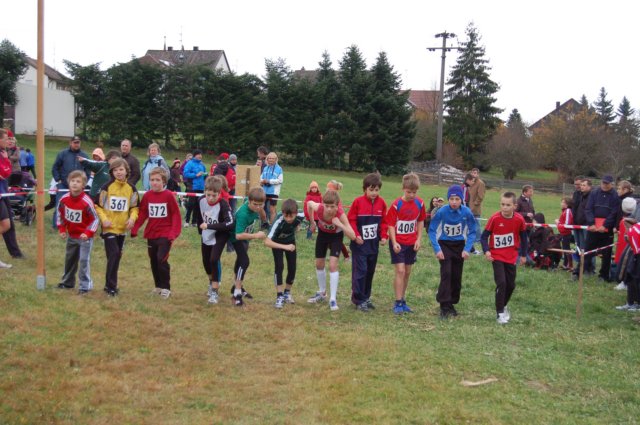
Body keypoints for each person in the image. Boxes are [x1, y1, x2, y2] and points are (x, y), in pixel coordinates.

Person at [130, 167, 182, 299]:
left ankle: (166, 288)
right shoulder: (147, 196)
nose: (154, 182)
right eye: (152, 180)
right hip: (152, 233)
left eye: (157, 180)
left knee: (161, 259)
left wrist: (173, 233)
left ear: (164, 181)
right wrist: (135, 228)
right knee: (153, 260)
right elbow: (143, 213)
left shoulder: (169, 195)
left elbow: (176, 215)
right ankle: (158, 286)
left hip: (165, 234)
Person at [429, 184, 477, 319]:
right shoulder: (442, 212)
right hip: (444, 245)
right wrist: (437, 249)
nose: (454, 202)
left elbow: (472, 231)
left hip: (459, 246)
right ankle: (444, 305)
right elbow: (432, 230)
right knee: (447, 273)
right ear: (448, 199)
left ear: (462, 199)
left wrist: (467, 249)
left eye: (457, 199)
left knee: (456, 275)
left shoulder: (467, 212)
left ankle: (451, 303)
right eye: (451, 199)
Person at [480, 192, 528, 324]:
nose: (505, 207)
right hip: (496, 256)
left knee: (511, 285)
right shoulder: (494, 218)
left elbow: (524, 238)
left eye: (508, 205)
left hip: (511, 256)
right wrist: (487, 251)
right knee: (501, 283)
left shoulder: (519, 219)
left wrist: (524, 255)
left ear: (514, 206)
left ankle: (504, 305)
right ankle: (500, 313)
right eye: (502, 204)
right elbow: (484, 237)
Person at [95, 158, 139, 296]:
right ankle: (111, 287)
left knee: (116, 256)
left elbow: (134, 207)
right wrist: (104, 220)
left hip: (122, 229)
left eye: (121, 169)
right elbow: (98, 206)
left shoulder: (131, 188)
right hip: (109, 228)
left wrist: (132, 219)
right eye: (115, 170)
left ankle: (109, 285)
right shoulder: (106, 187)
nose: (118, 172)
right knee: (114, 254)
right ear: (111, 172)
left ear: (126, 171)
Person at [307, 190, 356, 311]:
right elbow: (309, 204)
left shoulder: (340, 215)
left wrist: (340, 224)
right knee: (319, 264)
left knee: (333, 265)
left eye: (332, 206)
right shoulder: (319, 208)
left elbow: (353, 236)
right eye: (327, 206)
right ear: (323, 203)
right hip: (322, 235)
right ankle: (322, 293)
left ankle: (333, 299)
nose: (329, 209)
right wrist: (312, 222)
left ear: (337, 205)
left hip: (336, 238)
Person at [386, 173, 426, 314]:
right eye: (409, 192)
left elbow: (420, 221)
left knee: (407, 272)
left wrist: (418, 239)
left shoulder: (420, 203)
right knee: (400, 271)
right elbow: (390, 225)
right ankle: (397, 302)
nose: (411, 195)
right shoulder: (396, 205)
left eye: (414, 192)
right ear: (403, 189)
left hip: (411, 243)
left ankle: (402, 299)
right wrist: (394, 242)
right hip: (398, 243)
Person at [348, 173, 388, 312]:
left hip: (373, 245)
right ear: (365, 189)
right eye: (371, 190)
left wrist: (384, 236)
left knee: (370, 271)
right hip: (359, 245)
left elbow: (384, 221)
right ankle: (358, 299)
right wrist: (356, 235)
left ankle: (366, 297)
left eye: (376, 190)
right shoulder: (358, 202)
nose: (374, 193)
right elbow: (351, 220)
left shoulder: (382, 203)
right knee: (361, 271)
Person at [56, 170, 100, 293]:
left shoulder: (86, 201)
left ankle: (85, 286)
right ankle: (67, 283)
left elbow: (95, 219)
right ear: (68, 183)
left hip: (84, 238)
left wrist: (88, 233)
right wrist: (62, 229)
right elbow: (60, 214)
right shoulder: (64, 199)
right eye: (72, 181)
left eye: (78, 181)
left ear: (83, 185)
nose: (75, 183)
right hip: (71, 236)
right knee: (69, 259)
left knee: (83, 260)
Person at [193, 176, 234, 305]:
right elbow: (199, 217)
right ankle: (211, 282)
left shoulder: (223, 204)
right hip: (206, 233)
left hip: (220, 234)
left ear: (219, 193)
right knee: (206, 261)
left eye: (214, 195)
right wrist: (201, 230)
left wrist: (210, 226)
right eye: (208, 195)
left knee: (213, 259)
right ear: (205, 192)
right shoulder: (200, 200)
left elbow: (230, 223)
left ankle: (215, 291)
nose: (210, 198)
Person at [228, 187, 268, 306]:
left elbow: (262, 215)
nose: (258, 207)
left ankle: (236, 287)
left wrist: (262, 214)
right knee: (244, 261)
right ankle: (237, 294)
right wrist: (256, 235)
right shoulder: (243, 214)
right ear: (249, 201)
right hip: (236, 238)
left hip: (245, 237)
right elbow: (238, 235)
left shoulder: (257, 207)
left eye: (260, 204)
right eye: (255, 204)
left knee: (240, 261)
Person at [264, 198, 305, 309]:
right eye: (286, 216)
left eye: (291, 216)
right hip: (276, 243)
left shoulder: (301, 215)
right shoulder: (278, 221)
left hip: (290, 242)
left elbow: (310, 206)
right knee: (279, 266)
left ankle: (287, 292)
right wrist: (285, 247)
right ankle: (279, 296)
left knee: (292, 267)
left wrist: (311, 223)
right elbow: (267, 242)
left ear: (296, 213)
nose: (288, 219)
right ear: (282, 213)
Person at [582, 175, 621, 282]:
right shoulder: (594, 193)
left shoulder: (615, 196)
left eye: (607, 183)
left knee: (606, 253)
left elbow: (614, 212)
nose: (604, 185)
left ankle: (603, 275)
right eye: (603, 183)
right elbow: (588, 209)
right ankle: (580, 271)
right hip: (593, 228)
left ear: (611, 184)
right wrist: (591, 223)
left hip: (606, 230)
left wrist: (605, 225)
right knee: (587, 250)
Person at [51, 136, 89, 230]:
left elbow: (88, 170)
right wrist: (58, 179)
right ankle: (56, 225)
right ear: (70, 143)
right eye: (75, 142)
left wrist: (84, 182)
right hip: (63, 185)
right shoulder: (62, 154)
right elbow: (55, 167)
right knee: (59, 205)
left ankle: (77, 226)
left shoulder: (84, 156)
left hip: (78, 187)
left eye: (78, 142)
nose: (76, 144)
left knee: (78, 206)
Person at [0, 129, 15, 268]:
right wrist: (5, 160)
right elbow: (4, 173)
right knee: (5, 224)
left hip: (2, 193)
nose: (8, 141)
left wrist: (6, 159)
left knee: (6, 224)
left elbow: (7, 173)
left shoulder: (2, 153)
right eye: (5, 139)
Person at [572, 178, 593, 276]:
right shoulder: (580, 195)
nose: (581, 187)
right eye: (581, 185)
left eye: (584, 185)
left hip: (586, 225)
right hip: (578, 224)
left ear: (589, 186)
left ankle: (590, 268)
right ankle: (581, 267)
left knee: (587, 248)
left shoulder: (591, 196)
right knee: (580, 247)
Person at [182, 149, 207, 227]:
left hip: (201, 187)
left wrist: (205, 174)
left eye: (201, 154)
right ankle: (186, 221)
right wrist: (196, 175)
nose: (200, 156)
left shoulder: (202, 164)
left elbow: (205, 173)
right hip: (192, 186)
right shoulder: (190, 163)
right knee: (191, 204)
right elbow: (185, 174)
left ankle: (194, 222)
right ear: (194, 155)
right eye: (198, 154)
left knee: (198, 204)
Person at [260, 152, 283, 224]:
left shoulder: (279, 169)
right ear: (267, 159)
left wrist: (269, 181)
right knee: (260, 207)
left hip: (274, 192)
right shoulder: (265, 168)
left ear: (276, 159)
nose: (270, 160)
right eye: (269, 158)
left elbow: (280, 180)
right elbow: (260, 178)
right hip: (264, 191)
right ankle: (264, 223)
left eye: (272, 158)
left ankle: (271, 225)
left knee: (272, 210)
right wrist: (262, 181)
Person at [555, 197, 574, 271]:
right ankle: (565, 264)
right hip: (563, 233)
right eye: (561, 202)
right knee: (565, 249)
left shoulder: (568, 211)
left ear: (567, 204)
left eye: (563, 202)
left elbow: (567, 224)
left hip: (566, 233)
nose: (561, 203)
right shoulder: (564, 211)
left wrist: (558, 223)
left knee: (567, 249)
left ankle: (570, 265)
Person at [469, 168, 486, 251]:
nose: (474, 174)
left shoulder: (480, 183)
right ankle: (472, 237)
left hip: (475, 207)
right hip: (468, 205)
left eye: (475, 173)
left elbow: (481, 196)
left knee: (476, 223)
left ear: (478, 174)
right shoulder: (470, 182)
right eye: (472, 173)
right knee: (470, 223)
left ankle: (478, 239)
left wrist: (475, 204)